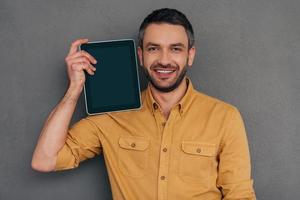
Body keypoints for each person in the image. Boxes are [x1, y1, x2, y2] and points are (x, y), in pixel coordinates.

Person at [31, 8, 256, 200]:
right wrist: (74, 89)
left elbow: (240, 195)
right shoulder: (112, 115)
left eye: (175, 48)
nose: (164, 59)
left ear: (190, 55)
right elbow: (45, 160)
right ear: (140, 55)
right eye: (153, 48)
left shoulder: (225, 117)